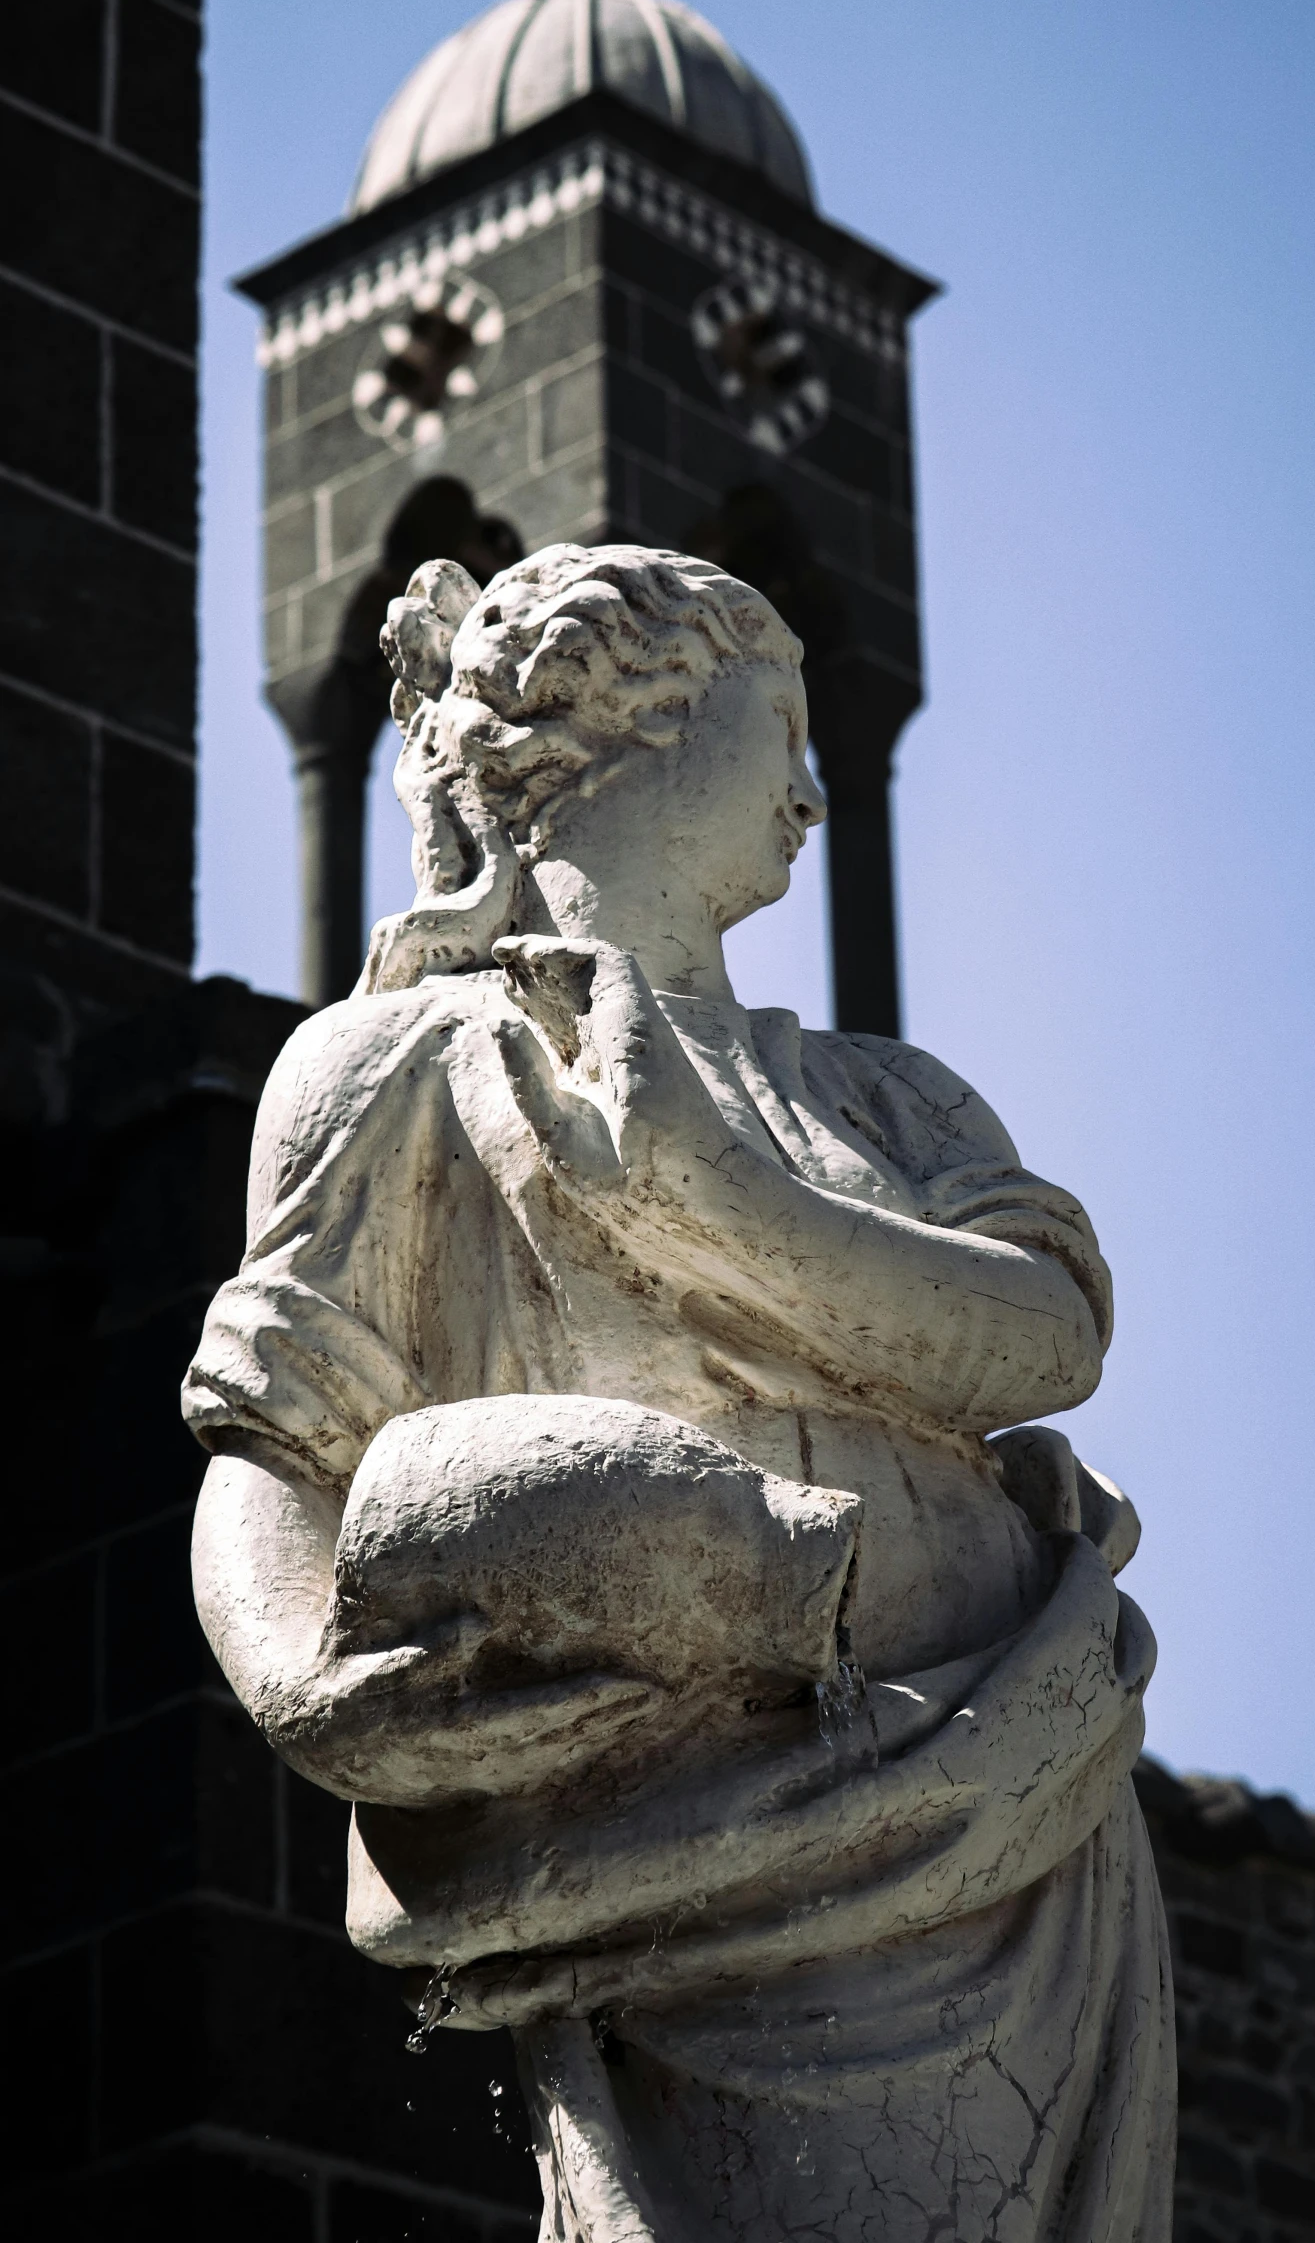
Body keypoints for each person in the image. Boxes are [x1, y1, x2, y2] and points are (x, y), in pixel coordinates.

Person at [186, 543, 1175, 2241]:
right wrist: (299, 1678)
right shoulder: (394, 1067)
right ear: (636, 725)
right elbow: (278, 1447)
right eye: (772, 726)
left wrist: (727, 1206)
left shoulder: (883, 1095)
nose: (807, 790)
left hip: (1008, 1785)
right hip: (686, 1832)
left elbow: (1043, 1340)